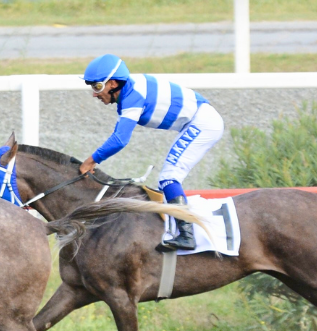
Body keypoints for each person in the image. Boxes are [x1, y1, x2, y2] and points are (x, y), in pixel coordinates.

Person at [78, 54, 224, 252]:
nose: (95, 94)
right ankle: (178, 229)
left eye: (97, 87)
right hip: (199, 121)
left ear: (113, 83)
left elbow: (120, 140)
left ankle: (187, 235)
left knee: (169, 178)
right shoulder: (129, 91)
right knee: (166, 180)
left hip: (203, 123)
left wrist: (90, 161)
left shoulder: (132, 97)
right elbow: (118, 135)